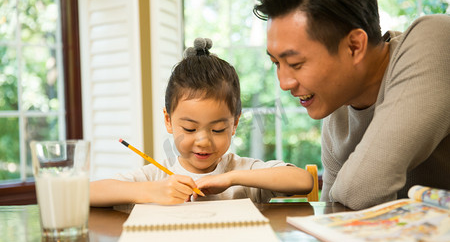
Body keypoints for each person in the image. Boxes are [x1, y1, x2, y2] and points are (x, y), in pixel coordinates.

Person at [253, 0, 450, 210]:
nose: (284, 83)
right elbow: (335, 212)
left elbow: (359, 191)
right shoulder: (337, 112)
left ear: (354, 46)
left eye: (296, 63)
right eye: (276, 63)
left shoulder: (436, 40)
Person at [90, 38, 313, 207]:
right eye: (189, 128)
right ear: (168, 120)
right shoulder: (156, 177)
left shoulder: (243, 172)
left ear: (235, 123)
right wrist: (150, 191)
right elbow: (87, 193)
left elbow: (303, 181)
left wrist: (230, 179)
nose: (203, 141)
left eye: (217, 129)